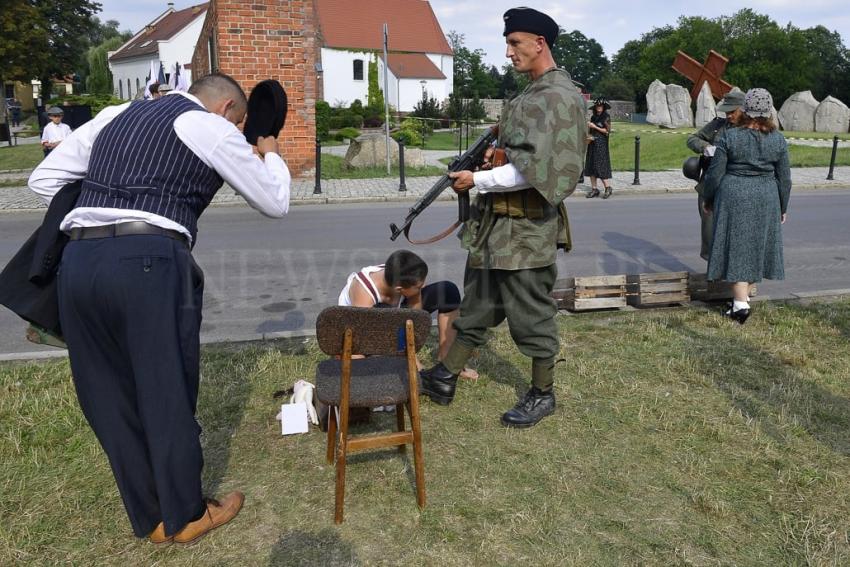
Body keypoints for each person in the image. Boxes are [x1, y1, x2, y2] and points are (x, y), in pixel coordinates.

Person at [28, 73, 291, 544]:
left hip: (79, 261)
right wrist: (268, 149)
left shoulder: (116, 115)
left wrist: (107, 203)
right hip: (148, 259)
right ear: (228, 109)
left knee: (106, 395)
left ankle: (149, 516)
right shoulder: (208, 126)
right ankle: (185, 515)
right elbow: (274, 201)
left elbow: (43, 178)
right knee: (164, 386)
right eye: (240, 122)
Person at [419, 7, 586, 428]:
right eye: (507, 43)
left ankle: (542, 393)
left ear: (539, 44)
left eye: (515, 43)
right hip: (497, 227)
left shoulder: (557, 96)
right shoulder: (531, 93)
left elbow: (536, 169)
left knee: (531, 313)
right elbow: (516, 145)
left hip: (527, 231)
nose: (508, 52)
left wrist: (477, 178)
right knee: (477, 304)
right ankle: (444, 376)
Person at [703, 88, 791, 324]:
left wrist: (708, 199)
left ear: (746, 109)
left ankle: (740, 306)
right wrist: (783, 206)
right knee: (756, 246)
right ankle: (741, 301)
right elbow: (785, 178)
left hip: (734, 195)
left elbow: (714, 174)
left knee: (735, 247)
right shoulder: (779, 139)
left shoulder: (730, 137)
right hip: (766, 196)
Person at [338, 250, 478, 380]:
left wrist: (412, 337)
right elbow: (367, 337)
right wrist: (414, 363)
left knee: (448, 291)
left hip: (391, 314)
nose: (423, 287)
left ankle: (447, 361)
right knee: (361, 368)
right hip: (362, 329)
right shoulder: (363, 293)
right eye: (418, 286)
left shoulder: (401, 278)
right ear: (399, 289)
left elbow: (416, 316)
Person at [686, 89, 745, 260]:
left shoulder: (751, 130)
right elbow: (692, 138)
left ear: (743, 109)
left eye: (732, 111)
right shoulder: (718, 126)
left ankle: (733, 271)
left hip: (736, 186)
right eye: (727, 111)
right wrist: (705, 147)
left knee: (734, 232)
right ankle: (712, 269)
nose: (728, 116)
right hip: (710, 184)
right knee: (710, 231)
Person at [584, 97, 613, 199]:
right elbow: (591, 131)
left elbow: (607, 131)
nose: (598, 107)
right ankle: (594, 189)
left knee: (600, 166)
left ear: (603, 107)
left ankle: (608, 188)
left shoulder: (606, 117)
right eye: (597, 106)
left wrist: (594, 126)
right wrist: (588, 138)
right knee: (591, 166)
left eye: (600, 106)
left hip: (601, 144)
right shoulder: (593, 117)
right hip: (593, 143)